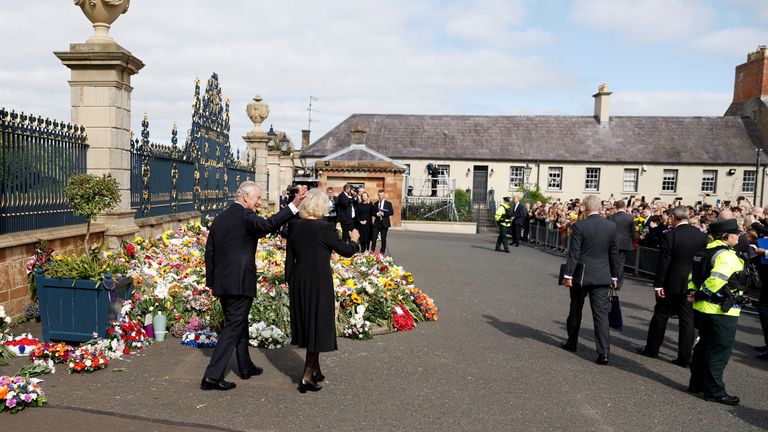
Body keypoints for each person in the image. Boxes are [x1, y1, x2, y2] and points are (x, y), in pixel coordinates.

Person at [201, 181, 306, 391]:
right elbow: (267, 225)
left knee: (238, 324)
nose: (258, 203)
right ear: (246, 197)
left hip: (223, 282)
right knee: (233, 327)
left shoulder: (221, 217)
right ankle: (212, 376)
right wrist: (293, 206)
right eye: (257, 198)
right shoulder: (245, 216)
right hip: (239, 283)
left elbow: (209, 251)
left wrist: (212, 282)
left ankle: (245, 366)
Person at [285, 188, 359, 393]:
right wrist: (354, 239)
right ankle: (307, 376)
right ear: (320, 206)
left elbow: (289, 258)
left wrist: (289, 281)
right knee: (317, 324)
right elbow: (346, 251)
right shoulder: (324, 227)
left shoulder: (294, 225)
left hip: (299, 279)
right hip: (318, 281)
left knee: (308, 322)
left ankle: (315, 369)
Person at [637, 206, 707, 366]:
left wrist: (658, 284)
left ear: (675, 218)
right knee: (687, 319)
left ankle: (652, 349)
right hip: (691, 282)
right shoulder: (701, 236)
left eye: (670, 218)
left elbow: (664, 262)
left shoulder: (670, 235)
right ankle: (684, 357)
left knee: (661, 314)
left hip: (672, 282)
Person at [687, 218, 747, 405]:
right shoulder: (726, 255)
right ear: (725, 235)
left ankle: (696, 384)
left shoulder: (703, 252)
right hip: (721, 310)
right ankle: (714, 391)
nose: (739, 236)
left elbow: (692, 277)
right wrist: (701, 294)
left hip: (702, 309)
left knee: (703, 346)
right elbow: (717, 279)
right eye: (735, 233)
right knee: (719, 351)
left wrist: (694, 294)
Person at [560, 195, 619, 365]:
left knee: (575, 309)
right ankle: (604, 352)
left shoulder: (579, 225)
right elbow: (613, 253)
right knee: (601, 315)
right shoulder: (610, 226)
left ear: (585, 207)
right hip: (602, 275)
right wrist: (614, 276)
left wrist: (568, 275)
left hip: (582, 275)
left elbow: (574, 253)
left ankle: (572, 342)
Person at [608, 199, 634, 288]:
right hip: (624, 243)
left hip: (612, 242)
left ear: (616, 207)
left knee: (611, 261)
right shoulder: (630, 217)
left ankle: (611, 280)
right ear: (624, 207)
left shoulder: (611, 217)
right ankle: (618, 283)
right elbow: (632, 232)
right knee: (620, 264)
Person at [372, 189, 394, 254]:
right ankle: (372, 251)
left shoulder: (388, 203)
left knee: (383, 238)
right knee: (374, 238)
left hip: (384, 223)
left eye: (381, 195)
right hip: (377, 223)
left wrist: (384, 214)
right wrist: (376, 214)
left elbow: (391, 212)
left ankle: (382, 252)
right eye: (379, 195)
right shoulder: (376, 203)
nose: (380, 196)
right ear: (378, 195)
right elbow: (373, 212)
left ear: (384, 195)